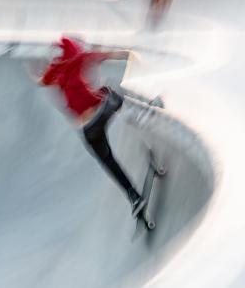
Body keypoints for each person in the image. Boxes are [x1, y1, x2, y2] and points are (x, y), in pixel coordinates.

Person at [36, 36, 163, 217]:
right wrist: (132, 54)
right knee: (111, 93)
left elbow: (42, 81)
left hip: (87, 130)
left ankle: (133, 196)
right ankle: (145, 110)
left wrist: (34, 73)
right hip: (101, 112)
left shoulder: (53, 71)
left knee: (107, 161)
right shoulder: (79, 57)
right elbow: (112, 54)